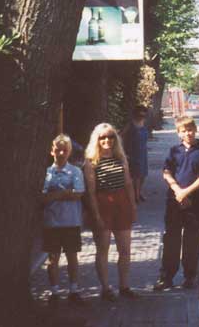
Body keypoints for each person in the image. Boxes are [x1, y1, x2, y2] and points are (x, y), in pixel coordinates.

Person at [154, 116, 199, 291]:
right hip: (175, 201)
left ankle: (190, 276)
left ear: (195, 130)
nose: (187, 133)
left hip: (197, 201)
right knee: (171, 238)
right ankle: (166, 277)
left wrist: (186, 192)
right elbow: (166, 172)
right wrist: (177, 190)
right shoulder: (174, 150)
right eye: (183, 131)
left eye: (190, 129)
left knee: (193, 239)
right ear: (178, 133)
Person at [83, 123, 139, 301]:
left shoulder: (121, 158)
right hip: (102, 205)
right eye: (102, 137)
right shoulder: (91, 162)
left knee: (125, 249)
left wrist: (133, 206)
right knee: (103, 250)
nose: (107, 140)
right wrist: (96, 215)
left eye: (110, 136)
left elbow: (128, 184)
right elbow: (91, 192)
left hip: (122, 204)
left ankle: (124, 286)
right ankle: (106, 289)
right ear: (96, 140)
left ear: (115, 138)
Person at [41, 134, 86, 306]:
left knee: (72, 256)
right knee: (53, 257)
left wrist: (55, 195)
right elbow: (42, 198)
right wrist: (64, 193)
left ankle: (74, 290)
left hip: (71, 221)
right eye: (57, 149)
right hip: (51, 222)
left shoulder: (75, 171)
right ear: (52, 151)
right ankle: (54, 291)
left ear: (69, 152)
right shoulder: (46, 173)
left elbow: (78, 194)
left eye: (64, 150)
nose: (61, 153)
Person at [121, 105, 149, 203]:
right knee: (136, 175)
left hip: (143, 152)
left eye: (144, 114)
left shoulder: (144, 123)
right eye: (140, 114)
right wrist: (123, 151)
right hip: (132, 152)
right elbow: (122, 137)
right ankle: (136, 196)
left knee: (143, 174)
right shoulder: (130, 125)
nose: (142, 116)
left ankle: (139, 192)